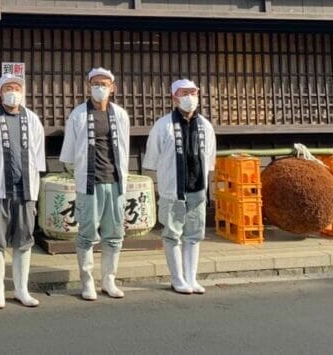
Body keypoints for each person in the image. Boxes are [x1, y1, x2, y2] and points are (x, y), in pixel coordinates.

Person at [0, 73, 46, 308]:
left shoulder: (32, 119)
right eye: (7, 88)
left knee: (24, 240)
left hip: (25, 191)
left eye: (16, 87)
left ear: (22, 91)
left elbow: (38, 155)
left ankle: (21, 289)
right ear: (0, 91)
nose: (12, 91)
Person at [60, 67, 130, 300]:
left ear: (113, 87)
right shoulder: (78, 115)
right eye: (95, 83)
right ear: (89, 86)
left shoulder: (120, 114)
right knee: (87, 233)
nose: (100, 87)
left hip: (115, 182)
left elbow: (125, 149)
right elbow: (68, 155)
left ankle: (109, 279)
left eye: (104, 83)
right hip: (89, 183)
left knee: (114, 233)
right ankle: (87, 280)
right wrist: (79, 174)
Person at [143, 79, 217, 295]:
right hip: (172, 189)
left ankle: (191, 277)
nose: (190, 97)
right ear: (174, 97)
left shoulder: (205, 125)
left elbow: (210, 157)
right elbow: (152, 158)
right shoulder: (163, 124)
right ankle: (177, 278)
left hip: (197, 188)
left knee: (194, 234)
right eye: (185, 93)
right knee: (172, 234)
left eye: (193, 93)